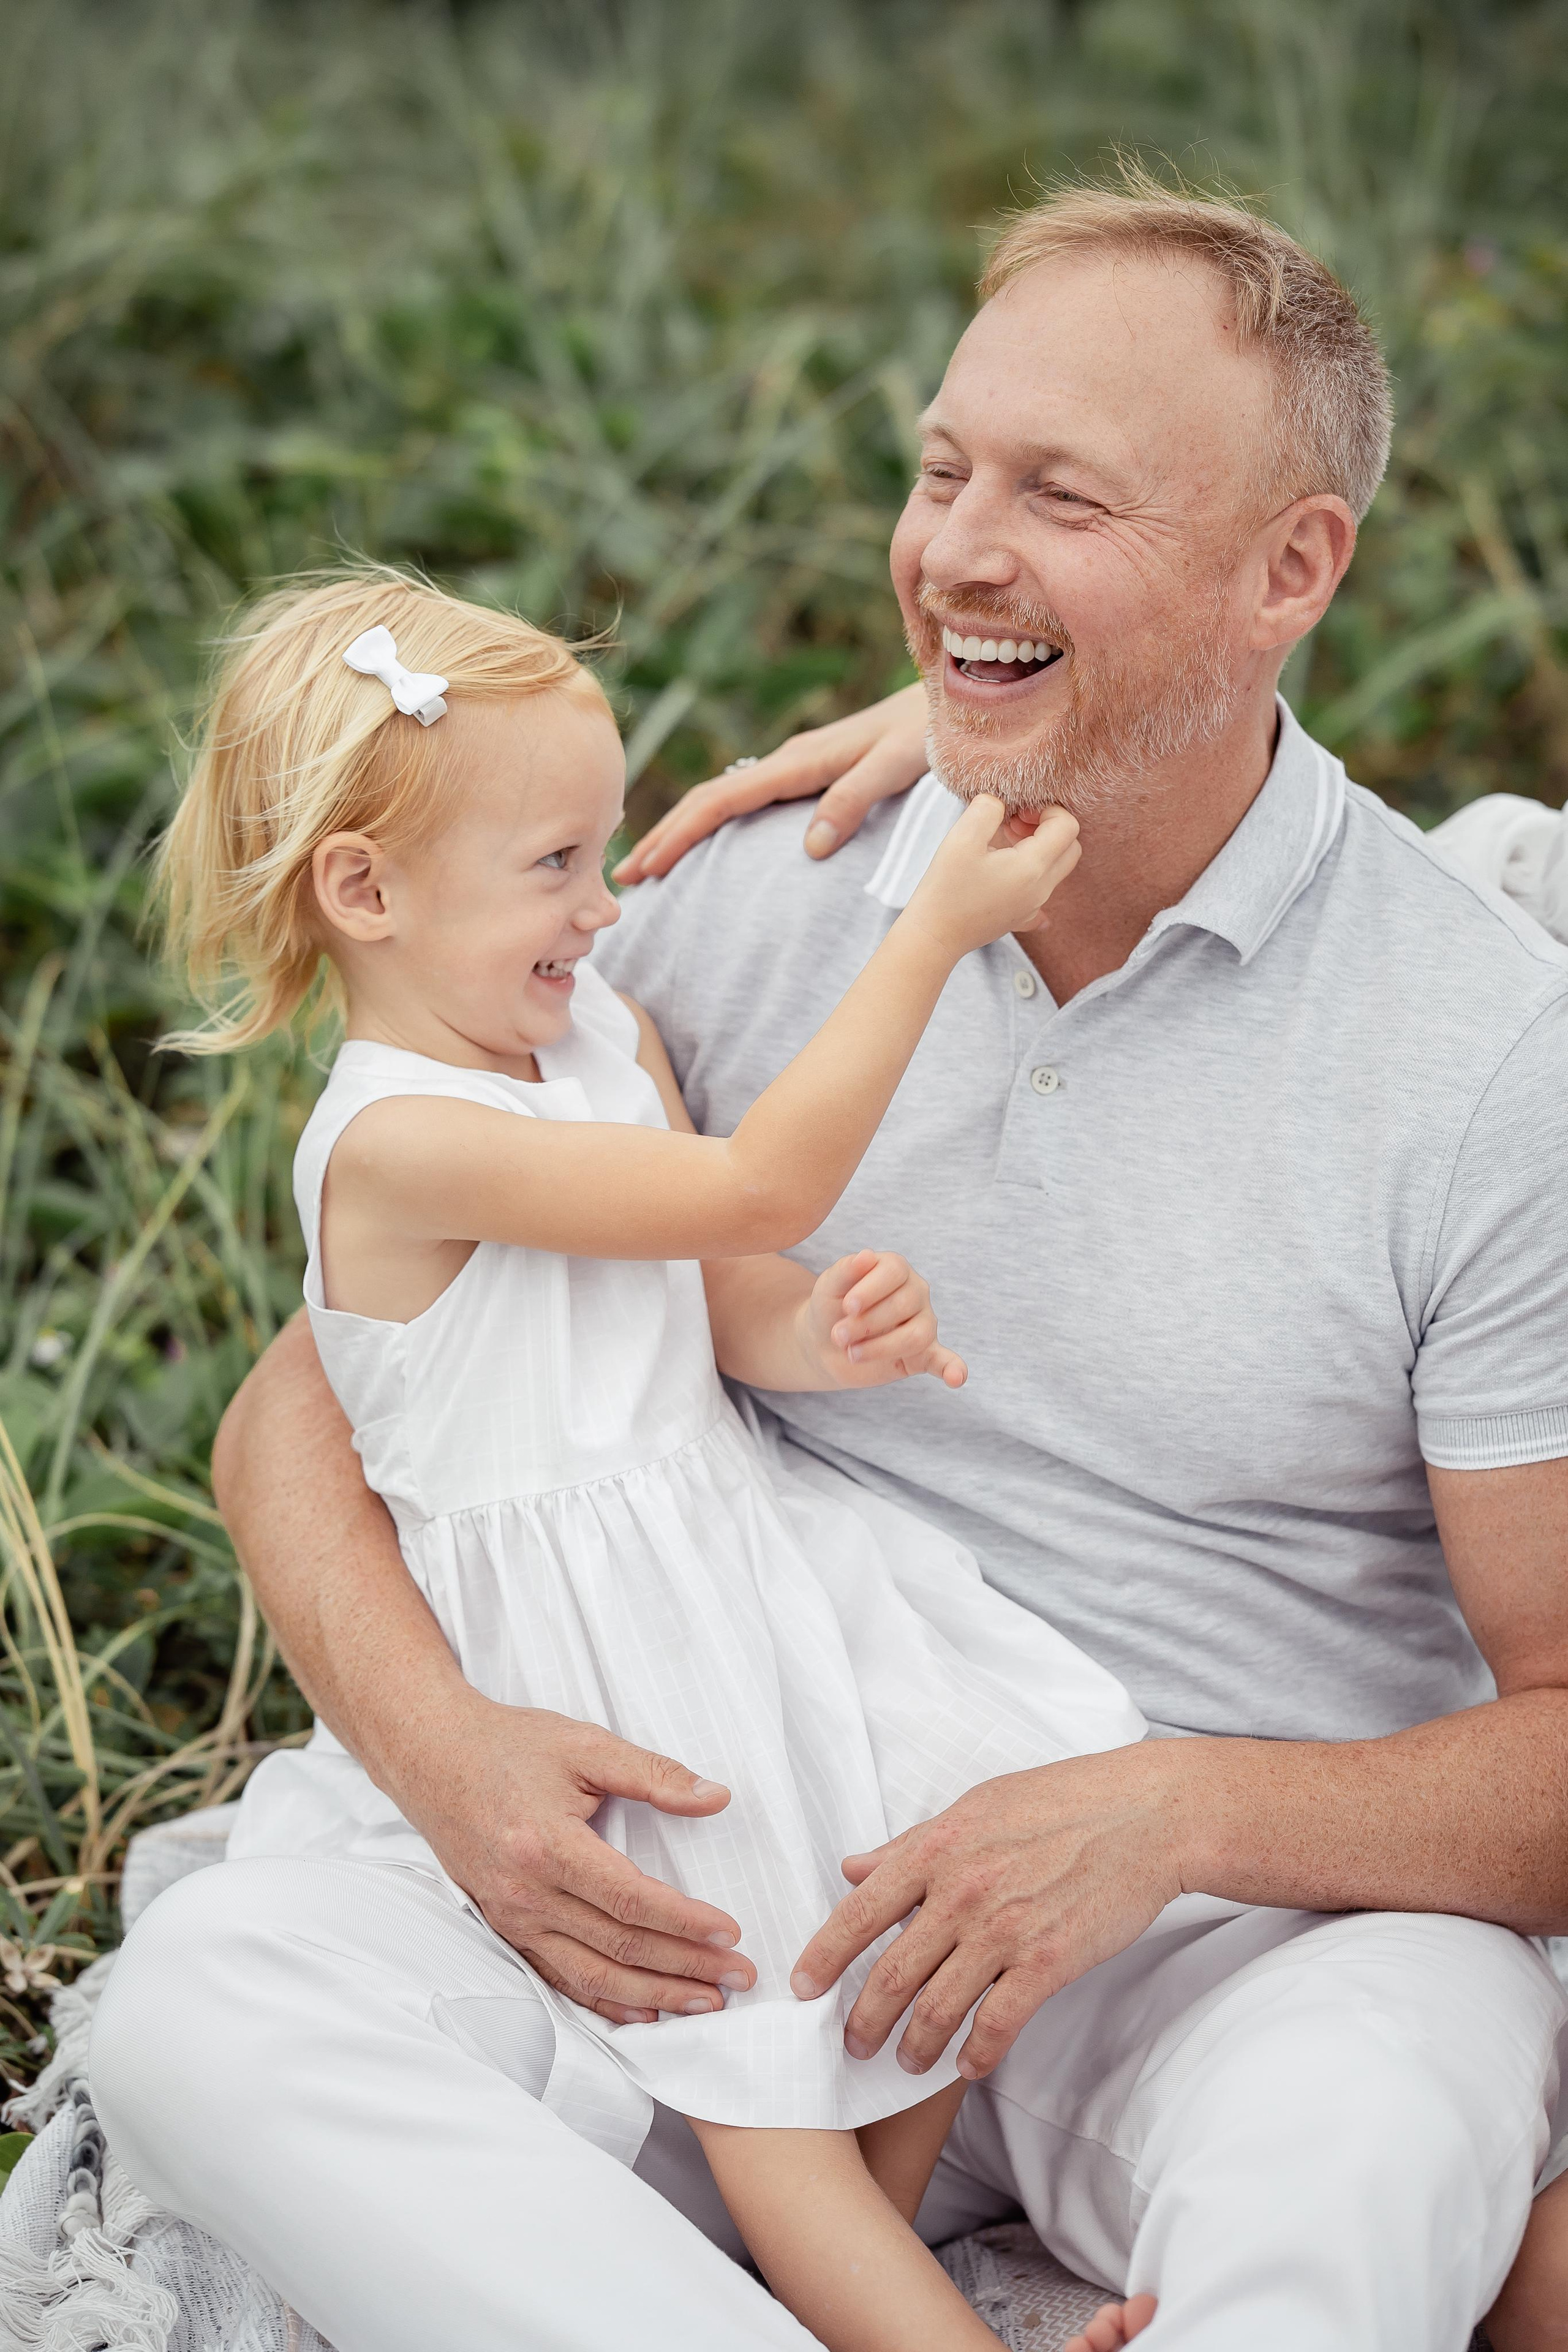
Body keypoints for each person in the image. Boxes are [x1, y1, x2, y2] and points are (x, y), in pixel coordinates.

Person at [89, 175, 1568, 2352]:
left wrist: (1169, 1816)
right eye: (944, 469)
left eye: (1061, 494)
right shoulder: (739, 897)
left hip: (1204, 1938)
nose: (953, 549)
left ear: (1292, 571)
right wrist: (447, 1757)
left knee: (1392, 2113)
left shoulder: (1489, 1059)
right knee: (204, 2019)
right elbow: (301, 1413)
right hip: (706, 1855)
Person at [102, 563, 1156, 2352]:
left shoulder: (600, 1037)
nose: (604, 908)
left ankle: (852, 2293)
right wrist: (928, 938)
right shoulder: (395, 1145)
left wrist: (826, 1334)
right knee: (767, 2087)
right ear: (363, 893)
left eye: (603, 853)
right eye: (555, 867)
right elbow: (757, 1185)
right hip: (602, 1652)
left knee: (932, 1930)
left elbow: (726, 1286)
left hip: (746, 1562)